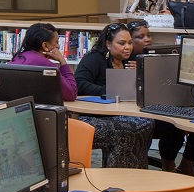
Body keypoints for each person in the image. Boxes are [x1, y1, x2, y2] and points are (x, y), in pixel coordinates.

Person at [70, 23, 155, 169]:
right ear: (108, 44)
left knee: (147, 123)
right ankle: (119, 176)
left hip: (121, 112)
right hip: (92, 116)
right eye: (121, 43)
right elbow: (79, 84)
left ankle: (138, 172)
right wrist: (109, 91)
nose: (128, 47)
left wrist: (141, 73)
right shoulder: (95, 59)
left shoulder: (132, 59)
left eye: (129, 43)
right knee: (131, 129)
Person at [127, 20, 188, 172]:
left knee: (177, 125)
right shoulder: (125, 61)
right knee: (169, 127)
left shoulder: (158, 57)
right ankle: (166, 165)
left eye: (148, 35)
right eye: (140, 37)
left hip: (159, 107)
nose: (147, 39)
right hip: (134, 112)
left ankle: (176, 165)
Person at [8, 23, 76, 101]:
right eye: (56, 42)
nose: (58, 46)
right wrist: (62, 60)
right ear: (45, 46)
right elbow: (71, 93)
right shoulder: (47, 65)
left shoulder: (16, 58)